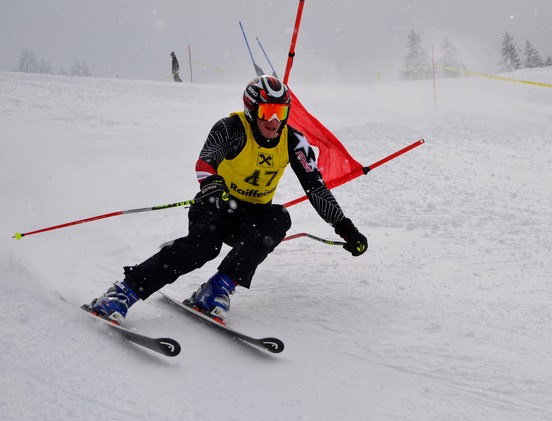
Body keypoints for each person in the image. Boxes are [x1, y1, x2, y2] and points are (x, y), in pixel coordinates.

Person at [87, 75, 368, 324]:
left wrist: (346, 228)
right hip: (216, 204)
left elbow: (316, 190)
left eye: (281, 112)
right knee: (202, 248)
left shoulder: (294, 142)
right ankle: (123, 292)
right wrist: (213, 186)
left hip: (251, 217)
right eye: (267, 111)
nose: (274, 121)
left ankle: (217, 288)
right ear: (251, 108)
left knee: (279, 218)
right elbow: (205, 162)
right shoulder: (231, 128)